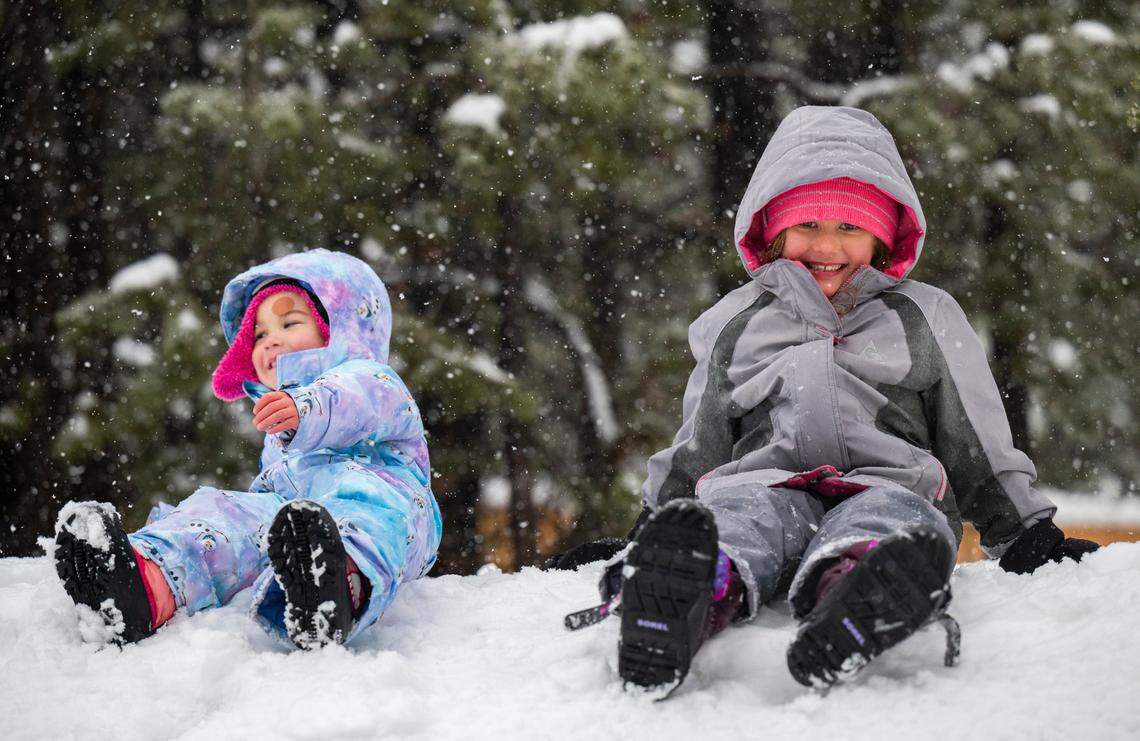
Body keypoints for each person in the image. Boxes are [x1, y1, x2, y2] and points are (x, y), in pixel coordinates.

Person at [555, 106, 1097, 695]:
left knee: (891, 525)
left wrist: (1024, 535)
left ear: (884, 236)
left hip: (890, 486)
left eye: (849, 228)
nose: (827, 246)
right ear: (773, 230)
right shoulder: (736, 321)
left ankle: (859, 595)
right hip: (761, 484)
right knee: (734, 521)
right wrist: (654, 528)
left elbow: (975, 439)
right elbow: (700, 439)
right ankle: (686, 592)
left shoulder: (924, 316)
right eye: (808, 225)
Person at [53, 249, 441, 649]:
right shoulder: (277, 416)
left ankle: (336, 586)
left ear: (341, 331)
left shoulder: (371, 378)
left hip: (385, 499)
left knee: (363, 510)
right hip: (292, 514)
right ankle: (144, 585)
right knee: (224, 517)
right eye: (257, 334)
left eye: (290, 322)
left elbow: (353, 399)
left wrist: (305, 408)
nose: (270, 338)